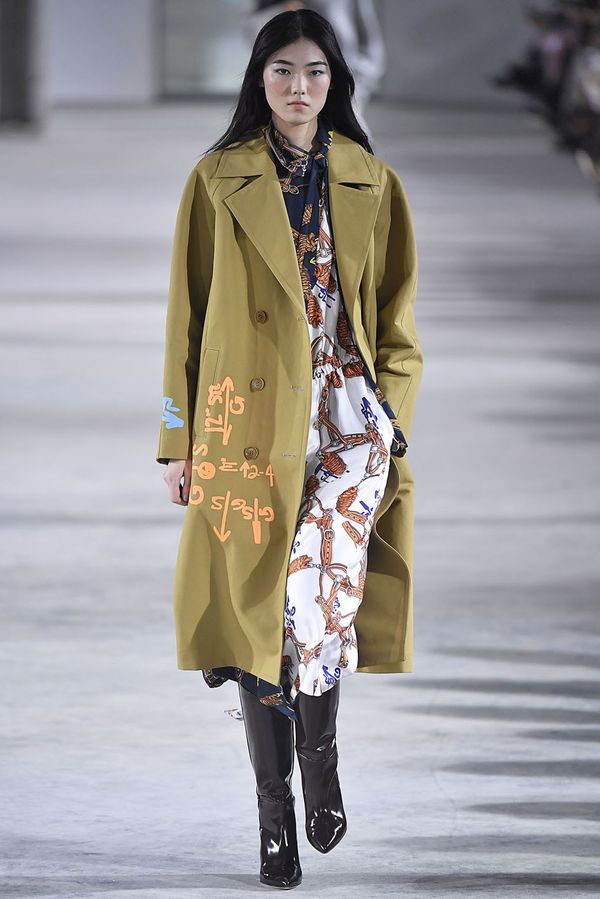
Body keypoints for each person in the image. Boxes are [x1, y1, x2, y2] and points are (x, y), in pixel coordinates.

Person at [157, 8, 422, 890]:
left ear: (335, 80)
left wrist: (393, 414)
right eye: (282, 70)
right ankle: (276, 821)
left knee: (313, 599)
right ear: (258, 78)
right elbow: (185, 315)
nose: (298, 87)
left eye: (314, 71)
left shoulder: (372, 180)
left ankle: (322, 757)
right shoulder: (216, 178)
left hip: (348, 422)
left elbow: (398, 318)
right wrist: (175, 439)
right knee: (259, 618)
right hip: (245, 427)